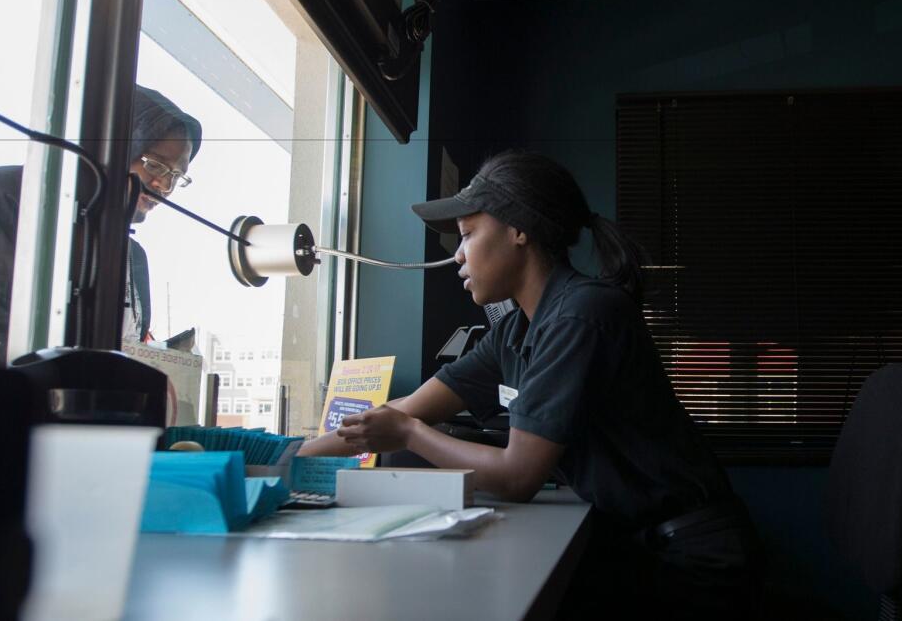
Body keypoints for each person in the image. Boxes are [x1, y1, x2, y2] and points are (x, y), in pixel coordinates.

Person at [298, 151, 763, 619]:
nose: (457, 256)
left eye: (467, 236)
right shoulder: (516, 330)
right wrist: (291, 461)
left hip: (694, 563)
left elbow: (516, 476)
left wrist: (410, 436)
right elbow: (409, 407)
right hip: (644, 545)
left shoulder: (581, 314)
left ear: (519, 230)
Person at [0, 85, 202, 366]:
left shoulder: (131, 256)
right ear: (115, 146)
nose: (164, 185)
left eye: (177, 176)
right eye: (155, 164)